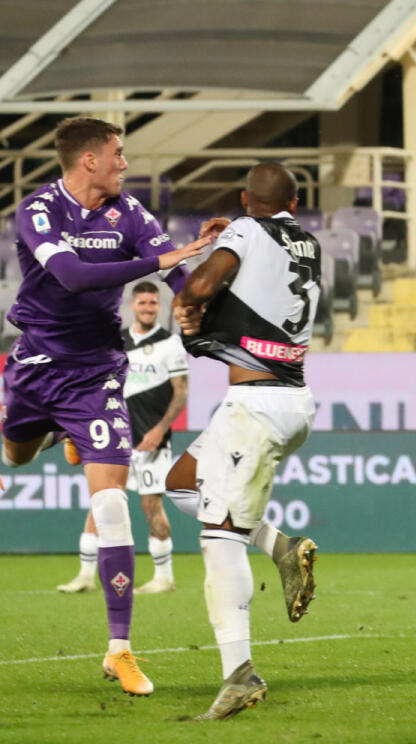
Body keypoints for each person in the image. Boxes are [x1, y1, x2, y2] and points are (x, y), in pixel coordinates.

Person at [4, 116, 208, 696]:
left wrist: (194, 295)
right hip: (36, 365)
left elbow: (177, 267)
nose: (125, 162)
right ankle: (53, 433)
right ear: (89, 160)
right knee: (16, 455)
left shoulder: (131, 213)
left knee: (113, 502)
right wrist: (160, 266)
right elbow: (72, 276)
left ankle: (120, 649)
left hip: (96, 373)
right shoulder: (39, 209)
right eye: (118, 153)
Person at [166, 162, 321, 720]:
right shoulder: (308, 244)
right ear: (294, 203)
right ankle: (281, 547)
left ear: (242, 198)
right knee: (181, 485)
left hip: (257, 407)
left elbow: (202, 285)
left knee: (219, 538)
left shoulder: (247, 229)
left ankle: (239, 675)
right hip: (289, 398)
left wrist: (190, 304)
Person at [56, 282, 189, 595]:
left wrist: (160, 430)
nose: (148, 308)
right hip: (116, 436)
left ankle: (164, 577)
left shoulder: (170, 343)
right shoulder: (117, 342)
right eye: (143, 302)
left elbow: (181, 392)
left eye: (153, 303)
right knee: (101, 501)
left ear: (159, 306)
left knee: (150, 505)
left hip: (151, 439)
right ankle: (85, 575)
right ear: (132, 305)